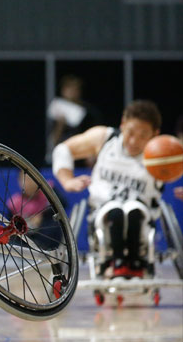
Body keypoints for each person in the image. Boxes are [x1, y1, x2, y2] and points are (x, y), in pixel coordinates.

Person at [52, 100, 164, 277]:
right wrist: (67, 180)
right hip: (103, 215)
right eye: (130, 132)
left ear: (155, 134)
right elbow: (62, 150)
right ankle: (116, 263)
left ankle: (135, 263)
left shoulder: (162, 152)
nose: (134, 140)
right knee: (116, 212)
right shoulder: (106, 138)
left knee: (134, 211)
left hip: (142, 218)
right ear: (122, 124)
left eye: (143, 135)